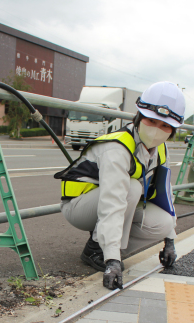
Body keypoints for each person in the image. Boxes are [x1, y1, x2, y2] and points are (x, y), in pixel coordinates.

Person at [55, 81, 185, 289]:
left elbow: (165, 193)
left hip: (110, 204)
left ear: (173, 130)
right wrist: (114, 263)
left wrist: (169, 240)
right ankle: (100, 249)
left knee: (163, 223)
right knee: (132, 188)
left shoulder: (161, 149)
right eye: (151, 121)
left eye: (165, 126)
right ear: (139, 117)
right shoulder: (117, 148)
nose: (156, 130)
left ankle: (103, 249)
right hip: (79, 206)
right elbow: (112, 203)